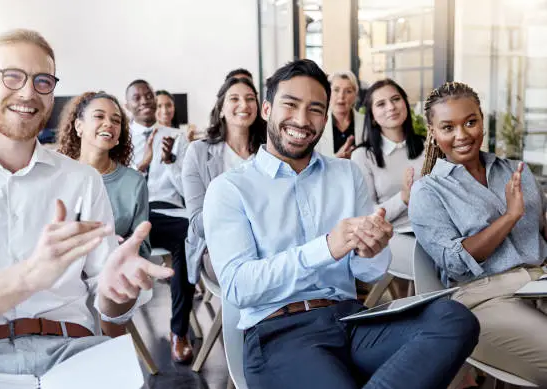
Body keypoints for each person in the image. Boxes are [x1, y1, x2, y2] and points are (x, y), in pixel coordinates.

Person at [202, 59, 479, 389]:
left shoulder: (346, 175)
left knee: (454, 319)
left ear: (325, 117)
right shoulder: (230, 188)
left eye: (316, 109)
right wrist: (325, 248)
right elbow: (237, 287)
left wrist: (371, 249)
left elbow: (370, 273)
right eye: (290, 105)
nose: (303, 120)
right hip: (280, 334)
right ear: (266, 109)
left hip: (352, 320)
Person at [0, 29, 172, 379]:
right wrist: (29, 277)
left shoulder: (82, 180)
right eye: (12, 76)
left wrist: (116, 291)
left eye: (43, 81)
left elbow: (108, 306)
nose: (28, 92)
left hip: (72, 352)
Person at [410, 81, 547, 385]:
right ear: (433, 132)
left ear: (482, 120)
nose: (462, 135)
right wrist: (510, 216)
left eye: (470, 122)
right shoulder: (428, 192)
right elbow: (456, 262)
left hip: (540, 285)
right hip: (484, 301)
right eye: (448, 127)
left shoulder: (517, 171)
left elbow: (542, 231)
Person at [125, 79, 194, 364]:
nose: (144, 101)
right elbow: (121, 188)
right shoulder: (120, 137)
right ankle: (111, 331)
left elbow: (186, 188)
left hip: (169, 212)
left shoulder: (177, 137)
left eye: (148, 95)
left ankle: (179, 331)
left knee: (189, 239)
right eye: (136, 97)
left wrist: (168, 162)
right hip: (134, 214)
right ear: (127, 104)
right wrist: (141, 167)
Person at [182, 77, 266, 286]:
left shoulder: (269, 151)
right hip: (216, 247)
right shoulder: (198, 152)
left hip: (268, 244)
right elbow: (198, 223)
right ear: (221, 108)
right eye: (234, 99)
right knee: (255, 277)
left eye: (250, 99)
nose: (244, 105)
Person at [351, 79, 425, 295]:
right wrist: (403, 198)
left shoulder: (428, 146)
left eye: (395, 100)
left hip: (430, 229)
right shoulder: (362, 156)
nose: (391, 107)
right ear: (372, 116)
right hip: (392, 235)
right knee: (425, 262)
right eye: (381, 104)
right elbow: (367, 213)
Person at [56, 91, 150, 260]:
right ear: (79, 126)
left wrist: (113, 246)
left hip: (112, 274)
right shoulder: (57, 175)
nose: (108, 124)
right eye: (99, 116)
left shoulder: (134, 183)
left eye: (116, 120)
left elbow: (143, 246)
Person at [314, 70, 365, 159]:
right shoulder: (317, 123)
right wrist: (337, 158)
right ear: (328, 93)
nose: (341, 96)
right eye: (336, 90)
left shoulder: (365, 123)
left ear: (355, 96)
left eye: (348, 91)